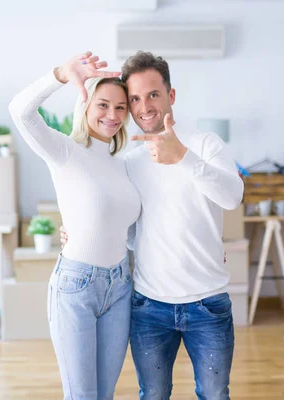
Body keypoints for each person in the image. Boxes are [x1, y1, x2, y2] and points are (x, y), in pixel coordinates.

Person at [61, 51, 244, 400]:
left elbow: (232, 196)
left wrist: (184, 159)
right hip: (149, 305)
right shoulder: (128, 161)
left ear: (170, 96)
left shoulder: (205, 144)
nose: (144, 106)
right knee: (153, 395)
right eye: (135, 99)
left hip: (208, 303)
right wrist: (76, 231)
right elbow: (117, 221)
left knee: (215, 395)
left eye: (153, 95)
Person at [8, 52, 141, 400]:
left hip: (120, 285)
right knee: (82, 396)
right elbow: (20, 111)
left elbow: (126, 229)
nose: (112, 115)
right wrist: (61, 75)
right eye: (103, 105)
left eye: (120, 107)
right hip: (76, 286)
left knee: (104, 395)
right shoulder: (64, 151)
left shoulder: (123, 163)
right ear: (85, 104)